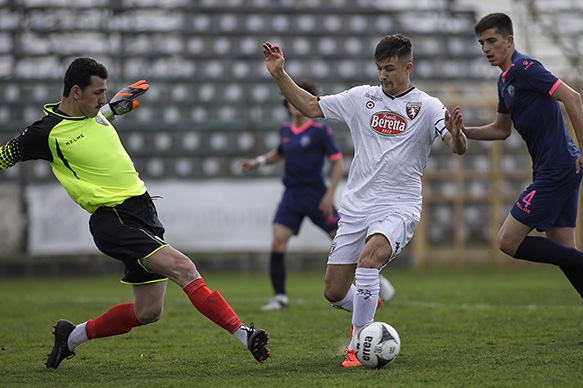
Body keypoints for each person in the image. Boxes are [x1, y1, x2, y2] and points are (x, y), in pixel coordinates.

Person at [0, 57, 270, 369]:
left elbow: (95, 126)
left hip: (143, 211)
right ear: (75, 92)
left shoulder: (96, 115)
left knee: (149, 312)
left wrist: (113, 108)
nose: (103, 98)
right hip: (112, 218)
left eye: (105, 92)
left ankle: (70, 337)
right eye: (97, 92)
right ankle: (244, 334)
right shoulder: (46, 133)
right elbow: (5, 156)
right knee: (184, 268)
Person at [262, 33, 466, 366]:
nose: (383, 75)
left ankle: (357, 346)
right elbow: (310, 106)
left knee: (369, 260)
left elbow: (456, 145)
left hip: (399, 205)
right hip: (357, 208)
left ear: (407, 67)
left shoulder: (428, 107)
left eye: (389, 68)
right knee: (333, 291)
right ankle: (368, 301)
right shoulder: (362, 97)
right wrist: (280, 74)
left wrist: (458, 137)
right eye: (379, 69)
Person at [463, 13, 583, 344]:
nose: (486, 48)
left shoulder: (527, 69)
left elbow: (573, 97)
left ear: (510, 41)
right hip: (555, 170)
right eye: (482, 43)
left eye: (492, 41)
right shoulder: (505, 81)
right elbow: (501, 129)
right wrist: (463, 131)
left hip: (558, 168)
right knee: (564, 256)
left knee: (507, 241)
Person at [239, 80, 396, 311]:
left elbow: (337, 164)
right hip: (291, 195)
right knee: (277, 240)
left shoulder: (320, 131)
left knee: (345, 242)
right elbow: (279, 152)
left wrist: (329, 194)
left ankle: (376, 280)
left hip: (316, 195)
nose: (294, 104)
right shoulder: (285, 130)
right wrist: (258, 162)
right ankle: (280, 298)